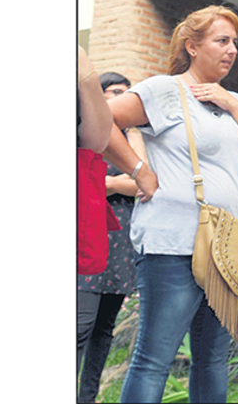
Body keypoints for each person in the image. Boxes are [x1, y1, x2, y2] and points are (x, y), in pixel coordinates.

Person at [103, 5, 238, 403]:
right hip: (174, 246)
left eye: (235, 42)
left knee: (213, 360)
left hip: (228, 250)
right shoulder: (164, 90)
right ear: (192, 46)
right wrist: (137, 168)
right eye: (221, 41)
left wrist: (231, 104)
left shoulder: (237, 103)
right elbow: (101, 118)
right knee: (154, 359)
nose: (232, 50)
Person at [77, 72, 145, 402]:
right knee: (81, 325)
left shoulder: (130, 139)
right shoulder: (89, 132)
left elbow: (145, 181)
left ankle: (88, 397)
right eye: (115, 92)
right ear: (98, 95)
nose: (121, 98)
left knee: (104, 329)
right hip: (89, 235)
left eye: (126, 94)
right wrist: (123, 183)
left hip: (120, 240)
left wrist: (108, 184)